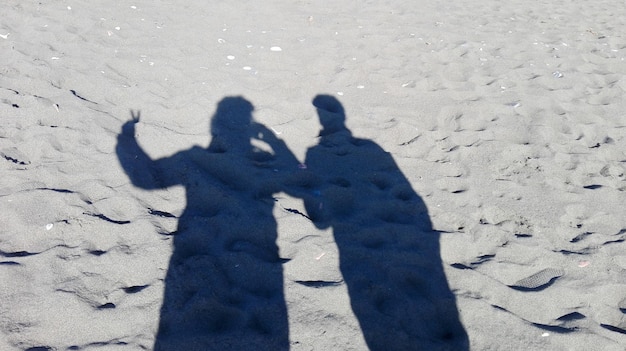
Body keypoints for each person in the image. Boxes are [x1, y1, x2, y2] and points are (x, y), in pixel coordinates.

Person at [286, 95, 469, 350]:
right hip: (410, 241)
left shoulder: (316, 153)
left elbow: (319, 219)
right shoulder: (369, 148)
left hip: (354, 242)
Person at [116, 97, 297, 351]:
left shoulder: (192, 159)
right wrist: (273, 141)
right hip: (257, 263)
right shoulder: (262, 160)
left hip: (196, 268)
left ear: (214, 128)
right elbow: (298, 178)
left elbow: (144, 177)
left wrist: (126, 138)